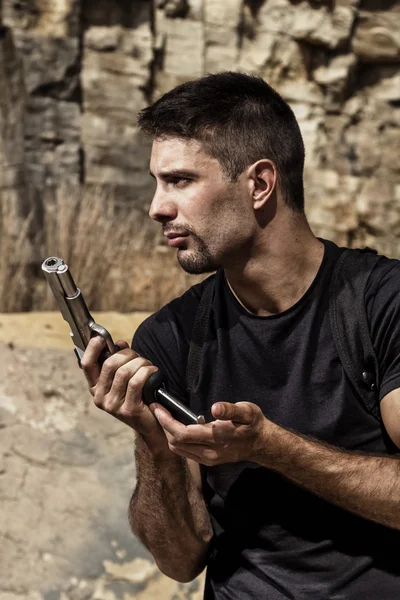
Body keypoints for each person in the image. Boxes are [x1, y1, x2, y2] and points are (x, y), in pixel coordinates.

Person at [81, 72, 400, 599]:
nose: (157, 207)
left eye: (180, 181)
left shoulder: (380, 301)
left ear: (259, 184)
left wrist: (269, 447)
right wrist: (152, 440)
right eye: (157, 183)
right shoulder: (172, 335)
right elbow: (181, 560)